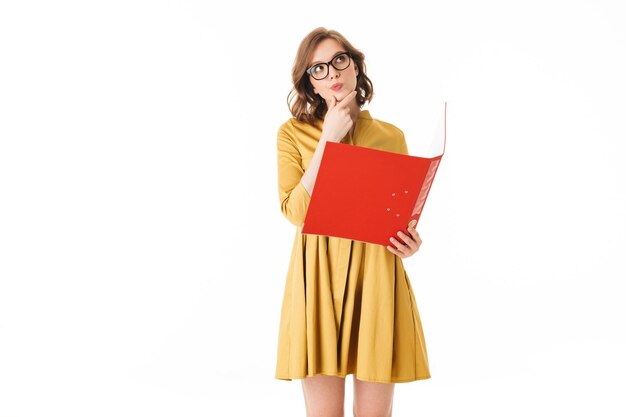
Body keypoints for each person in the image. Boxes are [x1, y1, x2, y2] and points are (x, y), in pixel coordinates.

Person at [275, 27, 431, 417]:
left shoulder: (391, 136)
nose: (332, 73)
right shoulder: (291, 135)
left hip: (377, 276)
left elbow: (399, 213)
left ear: (356, 67)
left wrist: (411, 242)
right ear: (309, 82)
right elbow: (295, 211)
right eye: (318, 69)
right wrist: (329, 138)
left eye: (339, 60)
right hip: (319, 278)